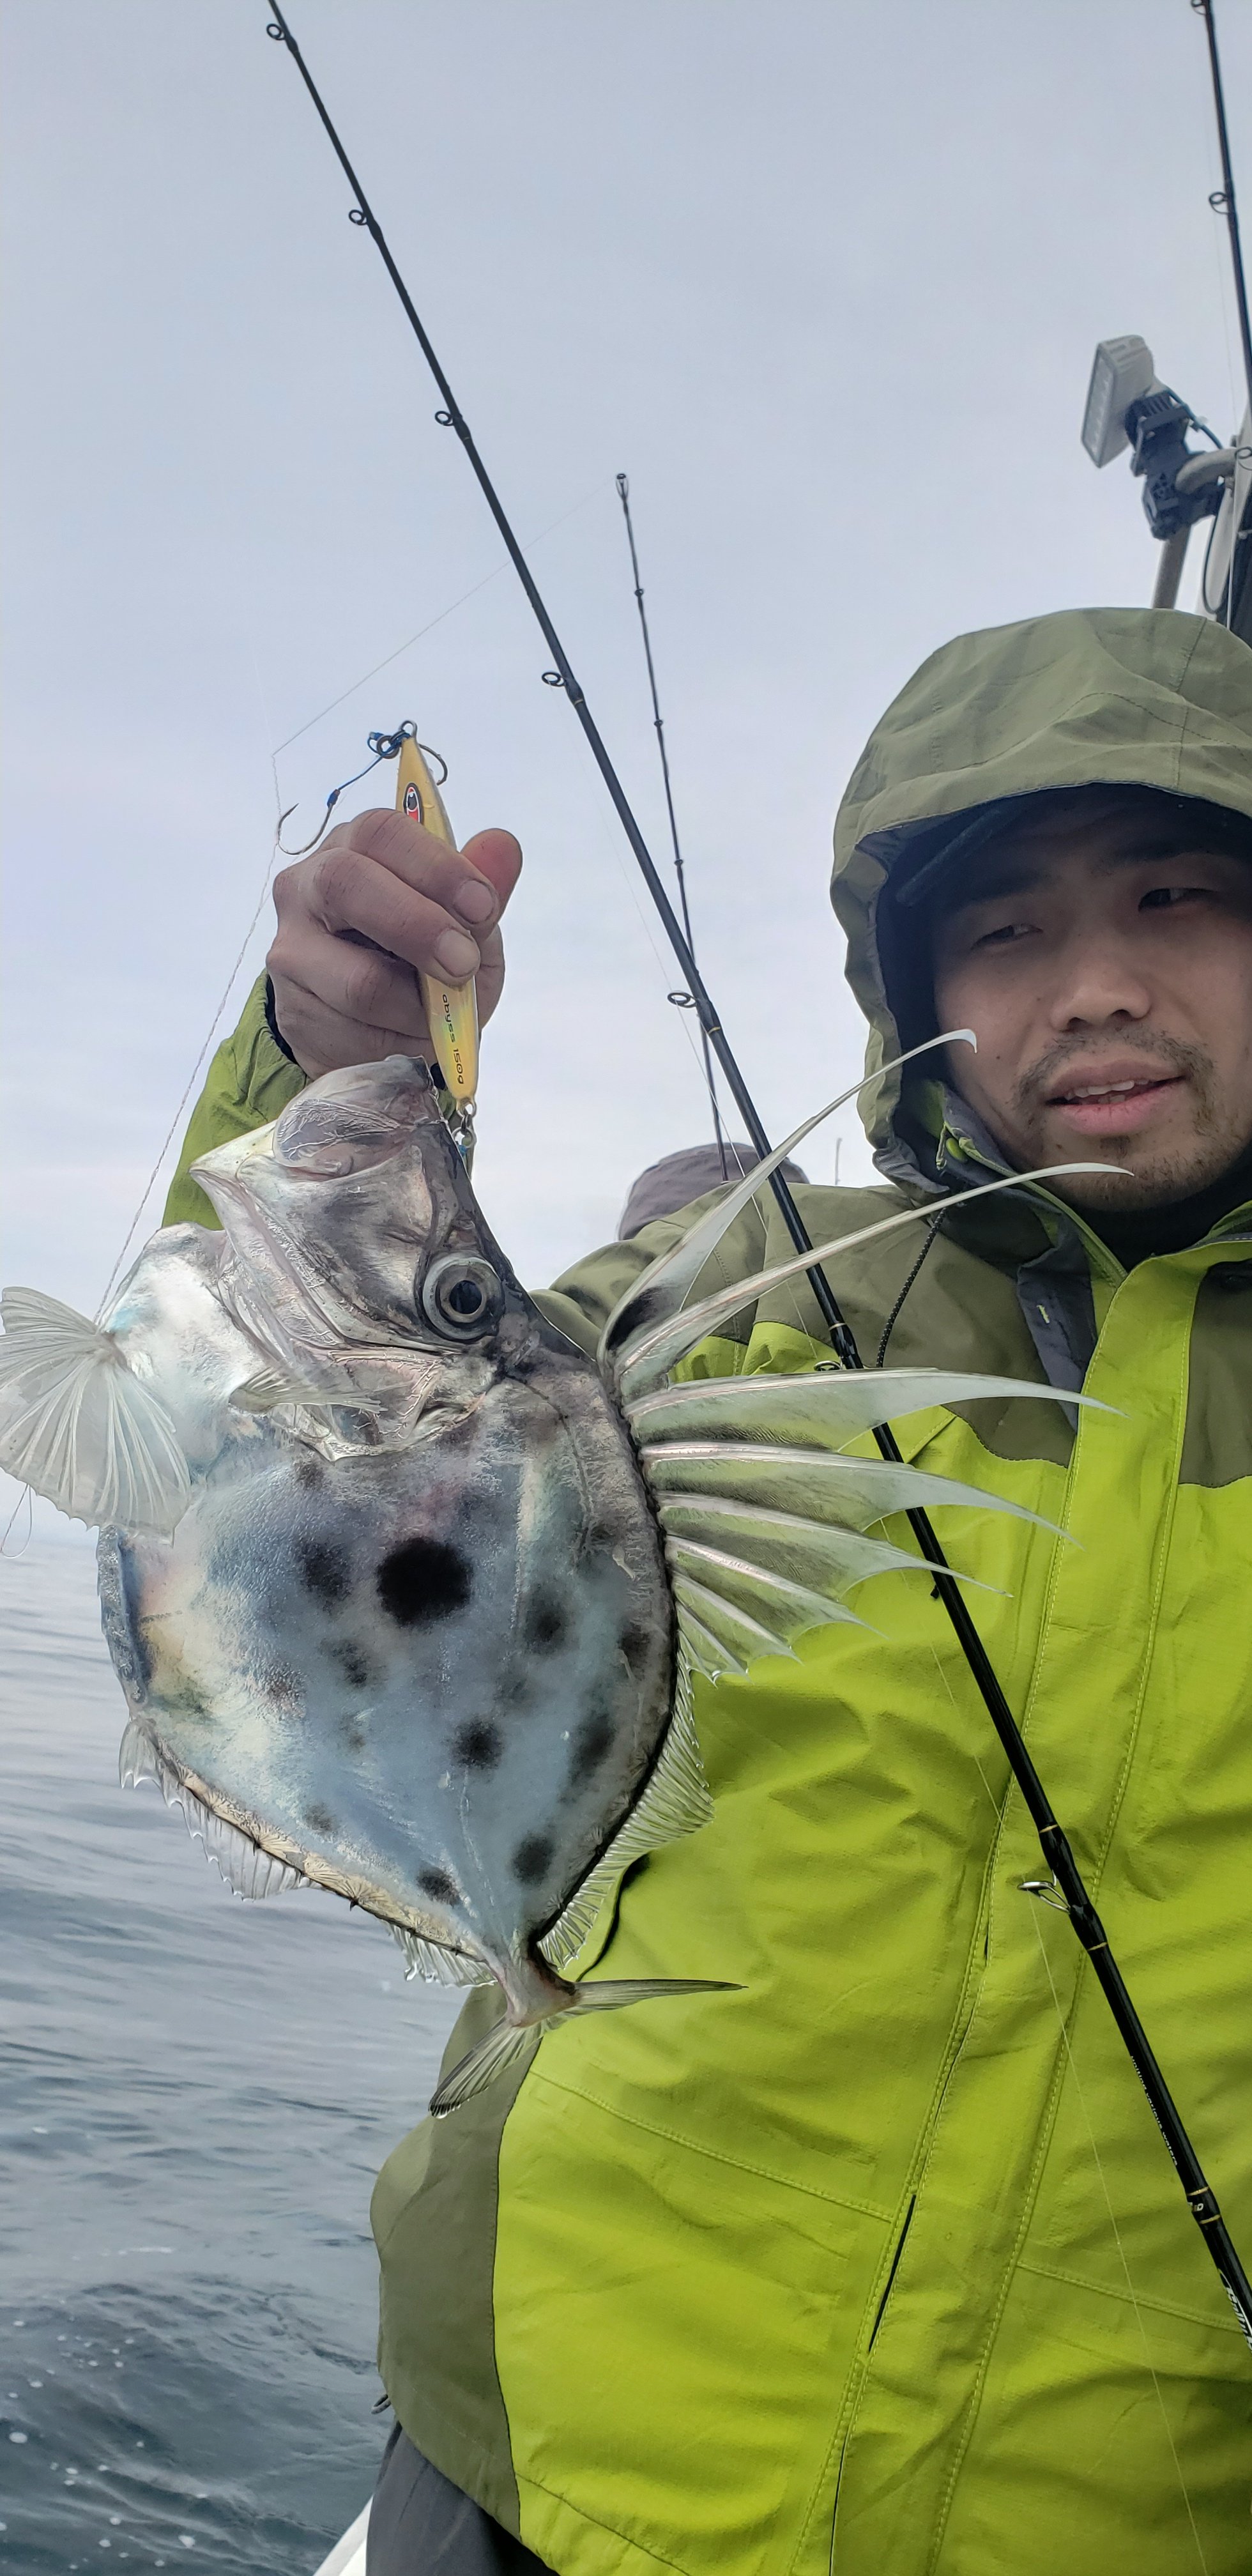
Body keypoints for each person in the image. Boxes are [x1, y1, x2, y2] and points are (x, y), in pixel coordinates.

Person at [165, 606, 1252, 2574]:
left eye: (1178, 898)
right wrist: (325, 1090)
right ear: (914, 987)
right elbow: (280, 1439)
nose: (1095, 985)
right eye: (1005, 927)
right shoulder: (738, 1306)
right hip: (543, 2443)